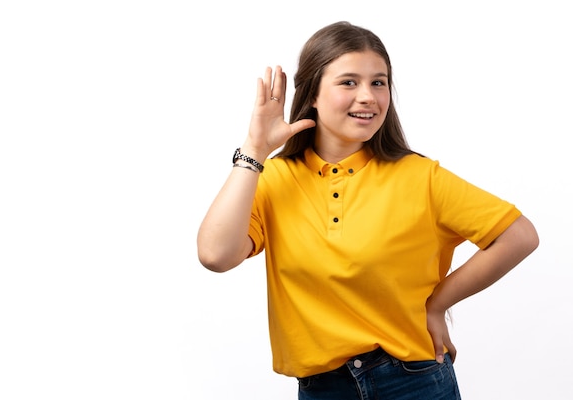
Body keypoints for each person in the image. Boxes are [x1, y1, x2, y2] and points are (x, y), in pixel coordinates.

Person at [196, 21, 539, 400]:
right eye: (348, 82)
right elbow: (215, 255)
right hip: (322, 389)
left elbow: (519, 235)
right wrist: (254, 150)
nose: (368, 97)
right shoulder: (273, 180)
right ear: (311, 93)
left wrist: (438, 303)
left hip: (414, 382)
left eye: (379, 82)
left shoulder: (419, 176)